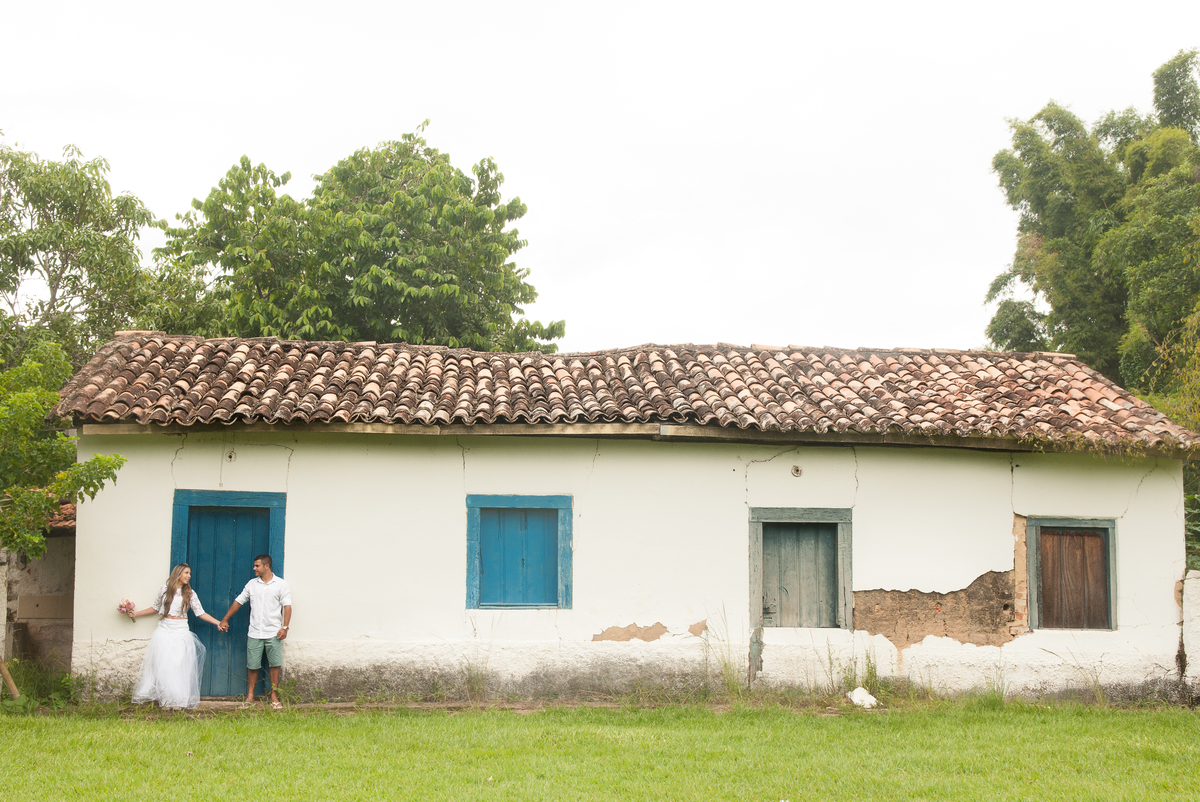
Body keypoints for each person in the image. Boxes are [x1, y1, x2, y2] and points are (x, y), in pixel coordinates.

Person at [127, 563, 224, 710]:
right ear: (178, 574)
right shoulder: (164, 590)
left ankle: (178, 701)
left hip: (180, 631)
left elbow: (200, 613)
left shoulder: (190, 593)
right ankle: (166, 701)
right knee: (164, 665)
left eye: (189, 573)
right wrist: (136, 614)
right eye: (186, 573)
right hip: (164, 630)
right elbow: (155, 608)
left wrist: (218, 622)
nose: (189, 576)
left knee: (178, 665)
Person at [219, 553, 292, 709]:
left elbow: (287, 606)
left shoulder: (281, 584)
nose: (254, 568)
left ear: (266, 566)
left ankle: (274, 696)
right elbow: (238, 601)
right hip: (254, 632)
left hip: (274, 632)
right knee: (252, 666)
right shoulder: (252, 584)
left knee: (274, 665)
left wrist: (285, 627)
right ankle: (250, 697)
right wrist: (225, 619)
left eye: (257, 565)